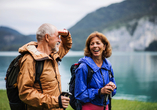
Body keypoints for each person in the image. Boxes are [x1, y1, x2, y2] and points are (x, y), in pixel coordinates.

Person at [17, 23, 72, 110]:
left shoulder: (53, 55)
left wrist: (66, 36)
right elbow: (25, 93)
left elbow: (66, 46)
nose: (60, 40)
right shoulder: (30, 60)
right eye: (58, 36)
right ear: (47, 37)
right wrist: (56, 101)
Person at [74, 31, 117, 110]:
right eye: (92, 44)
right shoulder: (83, 67)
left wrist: (112, 87)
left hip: (106, 107)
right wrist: (99, 91)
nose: (95, 46)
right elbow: (79, 95)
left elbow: (114, 91)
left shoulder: (108, 65)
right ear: (89, 48)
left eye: (98, 43)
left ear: (104, 46)